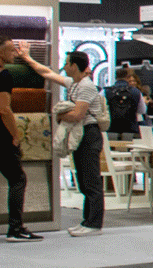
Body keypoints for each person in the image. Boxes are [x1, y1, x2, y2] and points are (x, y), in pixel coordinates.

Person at [20, 49, 106, 235]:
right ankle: (87, 221)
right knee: (83, 180)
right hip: (81, 134)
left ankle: (94, 224)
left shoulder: (86, 86)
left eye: (67, 63)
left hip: (89, 135)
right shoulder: (73, 84)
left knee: (91, 181)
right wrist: (27, 57)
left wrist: (58, 115)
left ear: (74, 66)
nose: (64, 67)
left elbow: (77, 115)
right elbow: (47, 73)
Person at [0, 36, 41, 241]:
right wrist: (15, 135)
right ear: (0, 52)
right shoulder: (3, 75)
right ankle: (15, 228)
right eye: (11, 50)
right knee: (17, 179)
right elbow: (4, 109)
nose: (15, 54)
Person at [106, 66, 143, 138]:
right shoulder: (136, 91)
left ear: (115, 77)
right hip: (131, 128)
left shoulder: (106, 91)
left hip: (112, 128)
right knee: (130, 145)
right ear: (127, 77)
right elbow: (142, 110)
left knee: (112, 144)